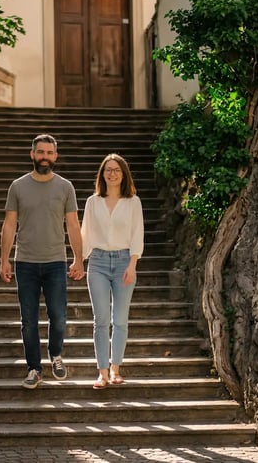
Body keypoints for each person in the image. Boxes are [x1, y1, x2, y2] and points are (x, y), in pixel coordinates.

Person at [0, 134, 84, 389]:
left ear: (55, 157)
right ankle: (34, 368)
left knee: (58, 317)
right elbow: (9, 223)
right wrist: (4, 259)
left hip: (56, 262)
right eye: (40, 152)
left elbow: (72, 224)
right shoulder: (17, 186)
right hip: (25, 262)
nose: (45, 157)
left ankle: (55, 355)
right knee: (29, 321)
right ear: (32, 154)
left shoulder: (65, 187)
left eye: (49, 153)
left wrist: (79, 259)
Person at [81, 153, 144, 389]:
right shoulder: (92, 202)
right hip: (97, 262)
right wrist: (79, 260)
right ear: (102, 174)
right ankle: (102, 372)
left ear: (124, 174)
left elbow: (138, 234)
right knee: (101, 320)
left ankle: (116, 368)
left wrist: (132, 264)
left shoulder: (133, 202)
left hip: (123, 262)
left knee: (120, 319)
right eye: (108, 169)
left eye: (117, 169)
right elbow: (85, 233)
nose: (112, 173)